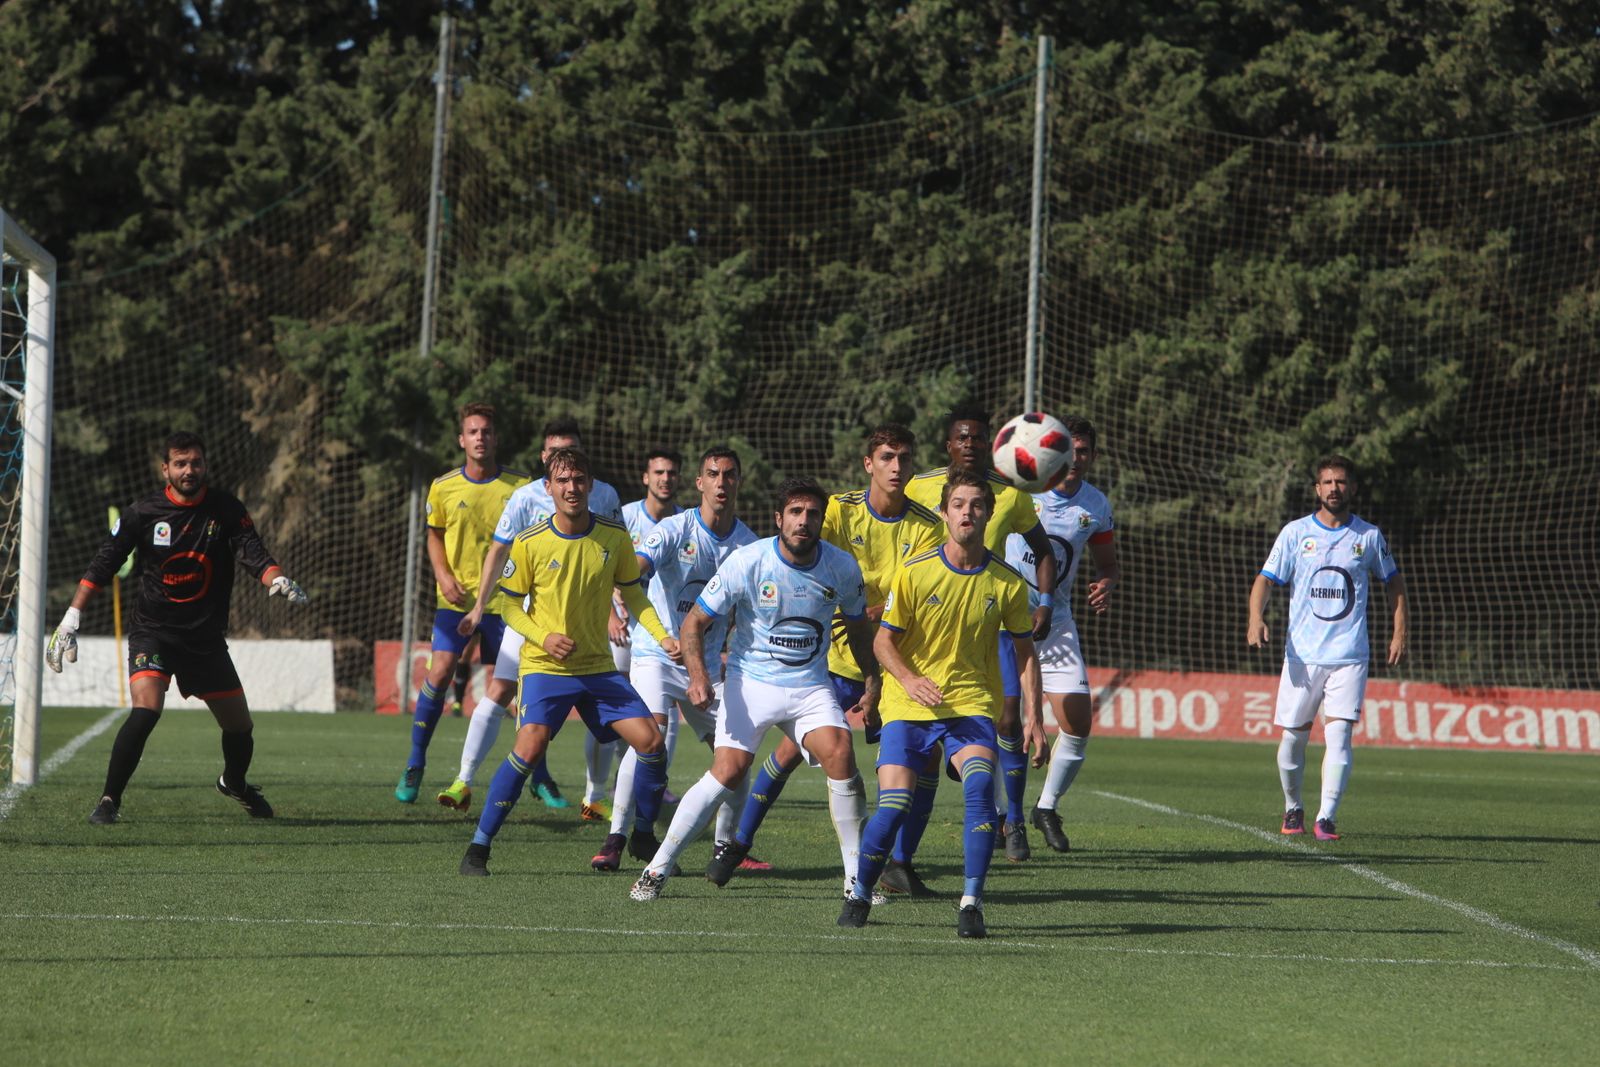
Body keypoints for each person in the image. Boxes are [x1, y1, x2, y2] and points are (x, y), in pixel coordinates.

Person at [629, 477, 875, 910]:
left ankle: (857, 882)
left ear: (821, 521)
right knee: (728, 771)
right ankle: (656, 868)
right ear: (779, 519)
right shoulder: (748, 561)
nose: (803, 521)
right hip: (751, 683)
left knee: (841, 753)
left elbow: (857, 629)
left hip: (810, 686)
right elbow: (694, 622)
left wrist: (872, 682)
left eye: (812, 514)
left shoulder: (841, 566)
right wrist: (698, 676)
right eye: (795, 512)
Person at [714, 424, 942, 890]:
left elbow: (922, 587)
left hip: (897, 662)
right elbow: (806, 558)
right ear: (869, 464)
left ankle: (899, 864)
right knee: (789, 753)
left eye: (904, 458)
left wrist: (878, 609)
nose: (897, 467)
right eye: (887, 457)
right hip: (834, 659)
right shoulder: (839, 510)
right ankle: (738, 843)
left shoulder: (927, 525)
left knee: (925, 757)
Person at [45, 431, 308, 823]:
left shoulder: (225, 509)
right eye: (181, 464)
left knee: (240, 728)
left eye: (195, 463)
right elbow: (104, 563)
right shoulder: (143, 513)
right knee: (146, 710)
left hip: (204, 639)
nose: (189, 470)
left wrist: (277, 578)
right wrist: (71, 617)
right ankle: (109, 801)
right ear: (165, 469)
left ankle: (234, 783)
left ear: (205, 465)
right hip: (154, 632)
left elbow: (252, 552)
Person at [839, 467, 1048, 938]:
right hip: (908, 705)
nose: (967, 512)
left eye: (976, 505)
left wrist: (1035, 717)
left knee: (980, 789)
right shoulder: (915, 572)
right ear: (944, 513)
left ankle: (971, 903)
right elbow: (883, 642)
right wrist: (909, 680)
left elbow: (1025, 653)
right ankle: (860, 892)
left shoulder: (1008, 583)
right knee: (894, 805)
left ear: (989, 514)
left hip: (970, 705)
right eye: (958, 505)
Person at [458, 447, 678, 876]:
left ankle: (643, 835)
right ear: (549, 488)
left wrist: (663, 636)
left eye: (578, 479)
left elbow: (633, 594)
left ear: (590, 485)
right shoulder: (530, 541)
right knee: (529, 746)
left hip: (597, 668)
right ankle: (478, 848)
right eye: (562, 480)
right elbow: (509, 606)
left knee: (652, 744)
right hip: (545, 667)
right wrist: (544, 637)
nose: (571, 488)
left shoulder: (613, 537)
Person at [435, 419, 623, 814]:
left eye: (570, 451)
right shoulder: (524, 497)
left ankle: (595, 797)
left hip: (585, 624)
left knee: (602, 707)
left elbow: (610, 560)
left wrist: (612, 611)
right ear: (543, 457)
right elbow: (498, 551)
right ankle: (463, 780)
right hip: (531, 618)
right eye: (554, 452)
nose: (563, 461)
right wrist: (479, 606)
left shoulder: (604, 495)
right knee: (499, 690)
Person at [592, 446, 757, 872]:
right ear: (699, 482)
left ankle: (726, 849)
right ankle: (616, 838)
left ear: (739, 482)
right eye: (713, 474)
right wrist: (623, 579)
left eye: (729, 475)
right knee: (648, 740)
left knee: (736, 755)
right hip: (657, 655)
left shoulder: (748, 546)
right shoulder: (675, 528)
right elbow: (637, 564)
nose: (721, 482)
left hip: (707, 666)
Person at [905, 403, 1057, 863]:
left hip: (992, 625)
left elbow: (1043, 550)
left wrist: (1045, 602)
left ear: (992, 444)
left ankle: (1014, 821)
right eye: (962, 437)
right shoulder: (918, 487)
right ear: (948, 444)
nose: (969, 444)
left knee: (1008, 721)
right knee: (931, 736)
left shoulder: (1010, 494)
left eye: (977, 437)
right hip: (931, 630)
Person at [1247, 454, 1407, 841]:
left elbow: (1394, 582)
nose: (1335, 488)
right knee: (1293, 739)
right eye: (1328, 482)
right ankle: (1293, 807)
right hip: (1302, 655)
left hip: (1349, 655)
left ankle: (1326, 818)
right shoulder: (1295, 533)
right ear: (1317, 489)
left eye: (1341, 482)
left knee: (1339, 735)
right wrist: (1255, 618)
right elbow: (1265, 580)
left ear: (1352, 488)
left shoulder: (1368, 536)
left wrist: (1399, 632)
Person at [393, 403, 530, 804]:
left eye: (486, 431)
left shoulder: (522, 487)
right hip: (456, 601)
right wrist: (443, 576)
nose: (480, 438)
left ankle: (540, 776)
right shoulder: (444, 486)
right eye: (473, 432)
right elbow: (434, 535)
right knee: (439, 672)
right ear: (461, 440)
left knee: (519, 688)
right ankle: (415, 762)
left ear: (495, 438)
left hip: (506, 603)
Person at [1006, 415, 1120, 853]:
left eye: (1083, 451)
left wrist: (1106, 584)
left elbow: (1108, 565)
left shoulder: (1096, 505)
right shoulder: (1023, 491)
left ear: (1092, 456)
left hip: (1056, 624)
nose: (1075, 459)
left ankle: (1046, 807)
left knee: (1077, 722)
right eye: (1067, 450)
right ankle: (1002, 817)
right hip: (1005, 622)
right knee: (1004, 722)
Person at [606, 447, 685, 817]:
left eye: (671, 473)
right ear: (645, 477)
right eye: (659, 472)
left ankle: (654, 781)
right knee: (618, 709)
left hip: (662, 632)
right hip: (622, 625)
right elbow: (601, 566)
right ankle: (599, 789)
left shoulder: (685, 522)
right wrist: (609, 614)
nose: (665, 479)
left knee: (664, 712)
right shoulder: (624, 518)